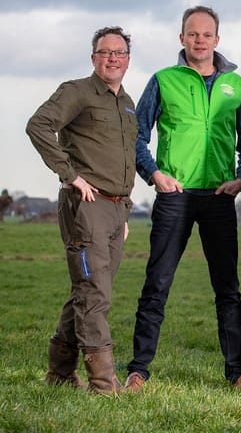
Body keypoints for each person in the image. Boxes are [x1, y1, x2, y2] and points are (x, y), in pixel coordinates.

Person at [125, 6, 241, 391]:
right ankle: (138, 370)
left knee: (228, 290)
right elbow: (136, 134)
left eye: (206, 34)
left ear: (217, 39)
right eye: (192, 34)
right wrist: (154, 174)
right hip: (174, 195)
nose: (199, 40)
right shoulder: (163, 80)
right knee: (157, 284)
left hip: (218, 196)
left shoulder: (237, 86)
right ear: (182, 39)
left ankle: (237, 373)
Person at [26, 26, 138, 395]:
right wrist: (70, 175)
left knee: (89, 290)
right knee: (94, 294)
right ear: (94, 58)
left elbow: (125, 158)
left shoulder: (126, 103)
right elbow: (39, 125)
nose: (112, 58)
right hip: (86, 207)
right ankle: (104, 385)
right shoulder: (76, 91)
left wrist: (124, 208)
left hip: (116, 210)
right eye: (105, 52)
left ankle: (59, 372)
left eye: (119, 53)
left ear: (127, 59)